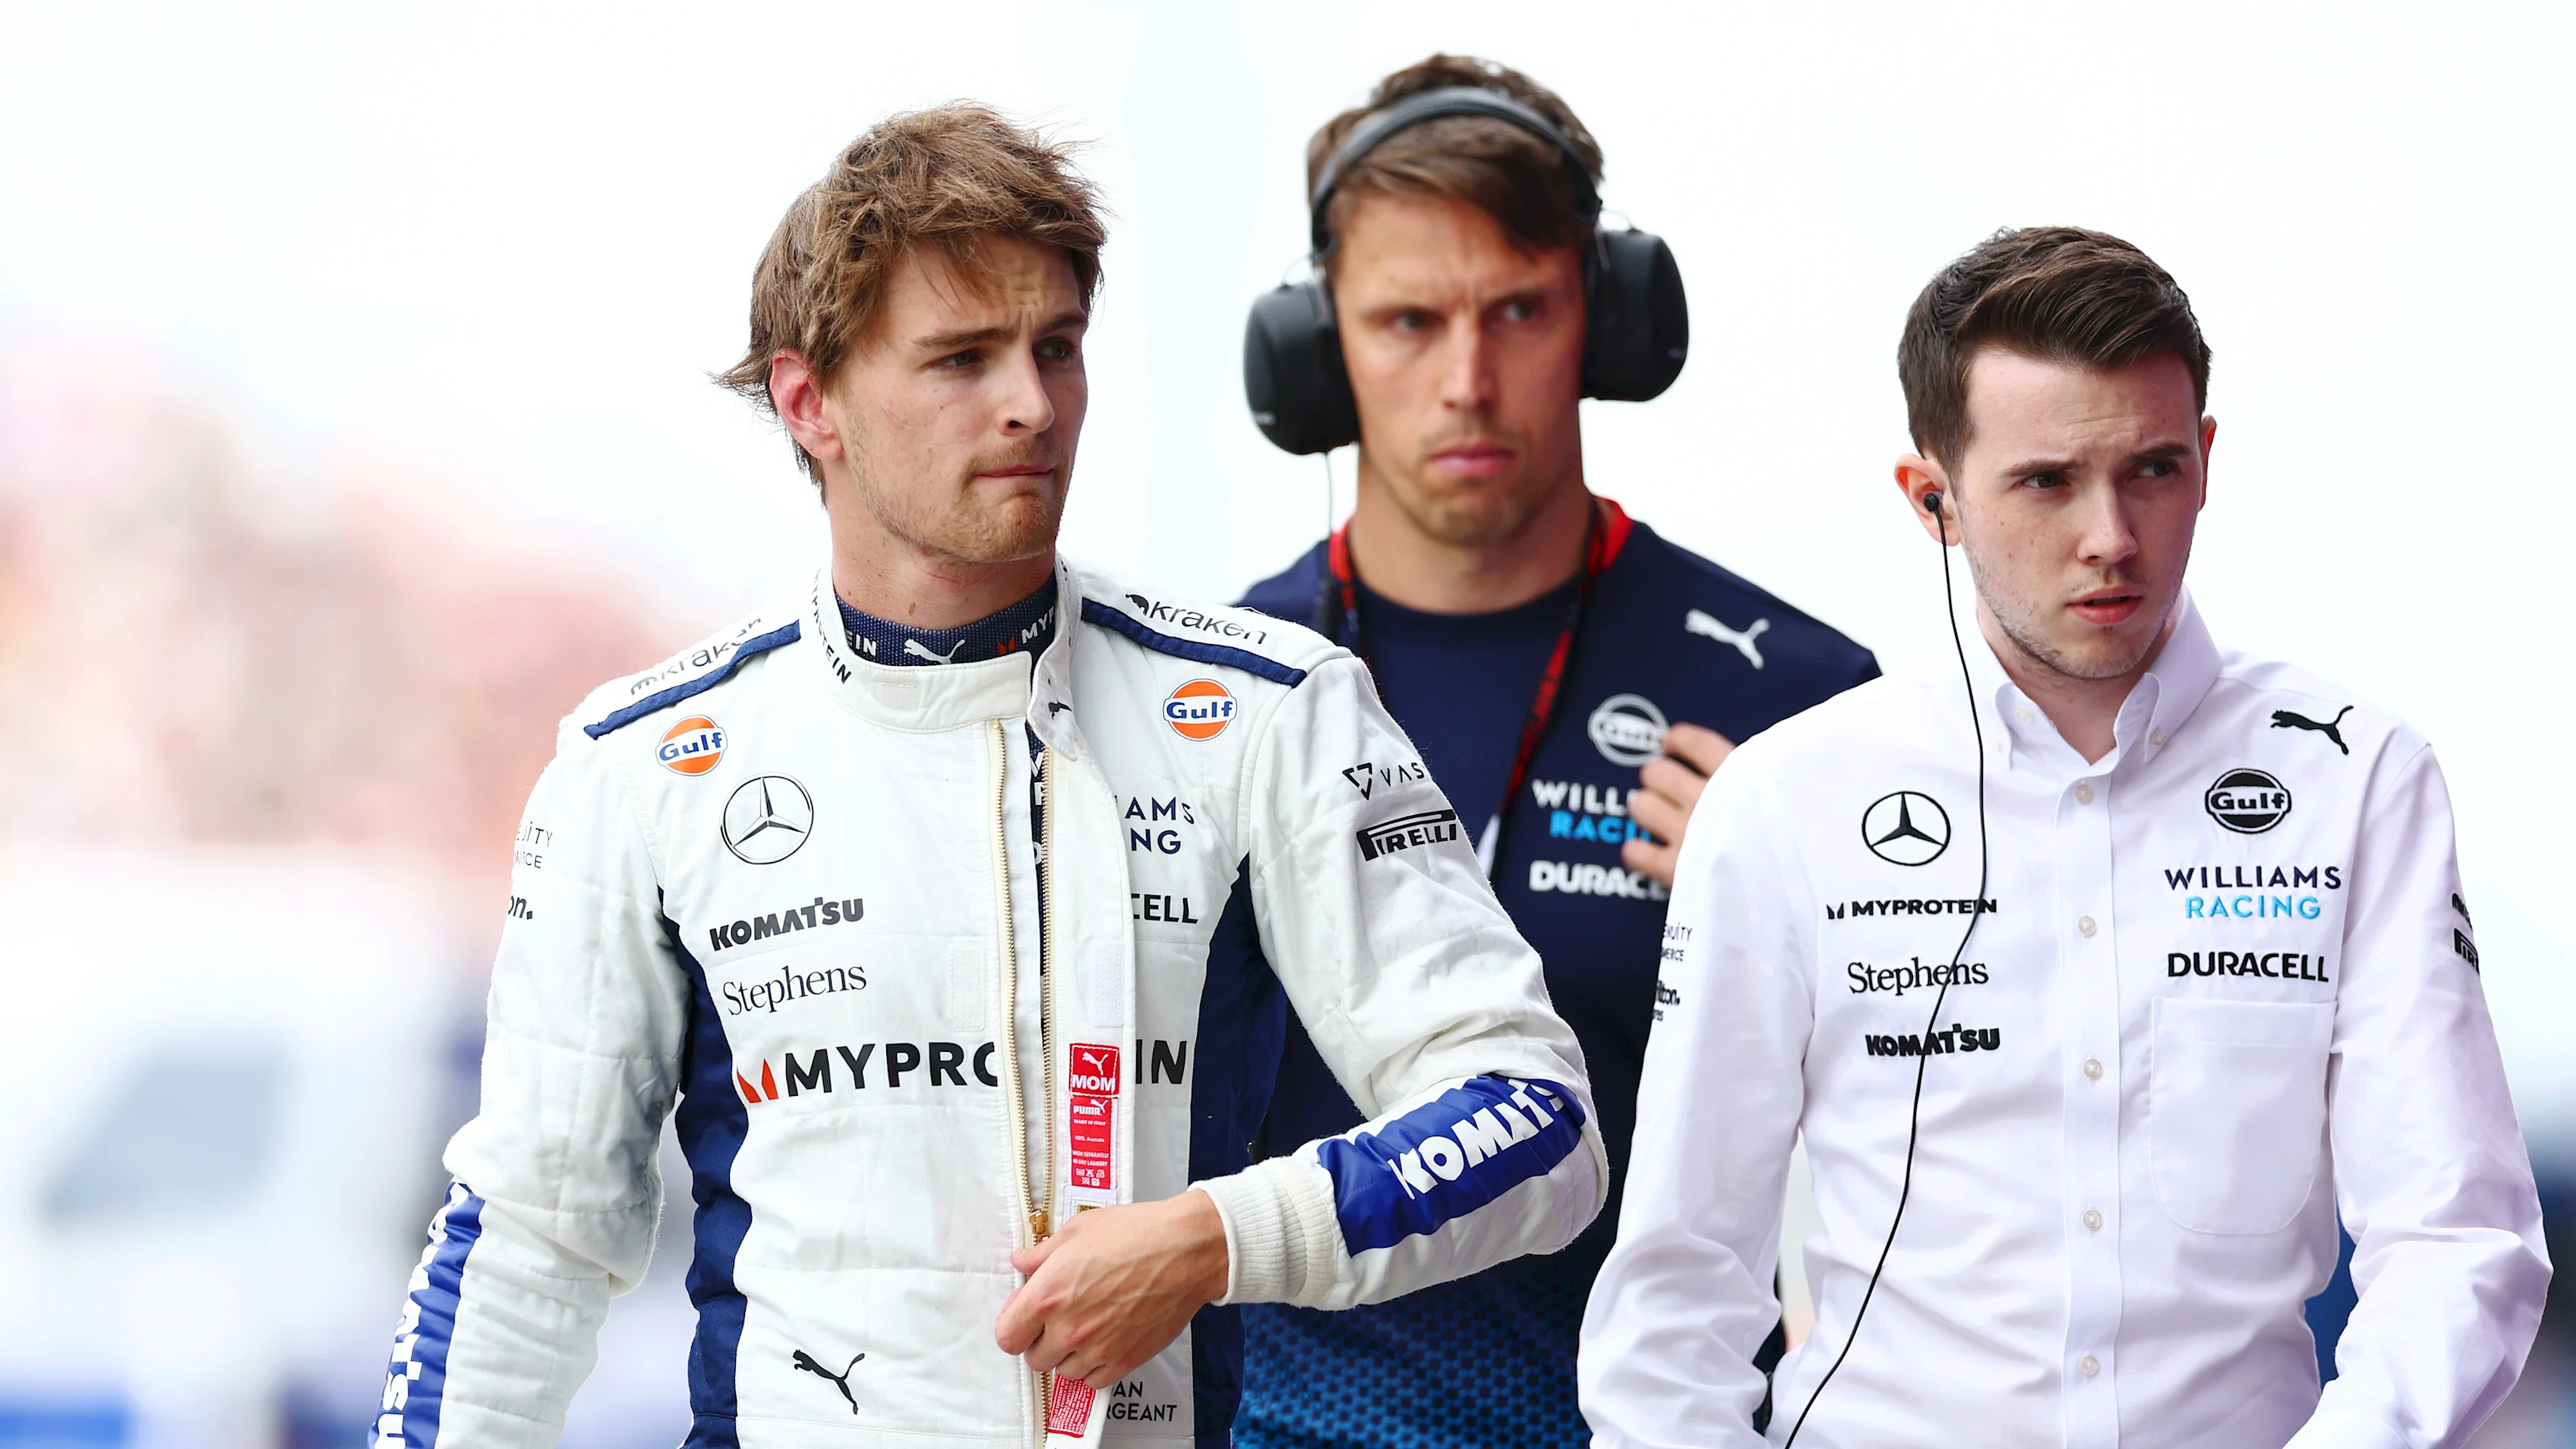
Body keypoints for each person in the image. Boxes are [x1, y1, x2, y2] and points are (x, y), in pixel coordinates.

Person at [369, 105, 1607, 1449]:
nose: (1031, 404)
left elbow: (1538, 1125)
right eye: (962, 359)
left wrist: (1213, 1238)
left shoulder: (1272, 712)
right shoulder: (641, 765)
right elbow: (526, 1245)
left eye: (1057, 348)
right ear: (810, 401)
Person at [1580, 226, 2551, 1448]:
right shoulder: (1785, 801)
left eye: (2151, 470)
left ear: (2205, 460)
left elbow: (2458, 1242)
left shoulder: (2357, 779)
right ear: (1932, 499)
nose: (2111, 538)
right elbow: (1677, 1292)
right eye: (2046, 482)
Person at [1233, 55, 1879, 1447]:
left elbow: (1951, 1154)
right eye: (1408, 321)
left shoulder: (1810, 710)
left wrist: (1796, 918)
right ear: (1315, 352)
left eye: (1518, 312)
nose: (1467, 381)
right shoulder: (1201, 707)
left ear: (1607, 320)